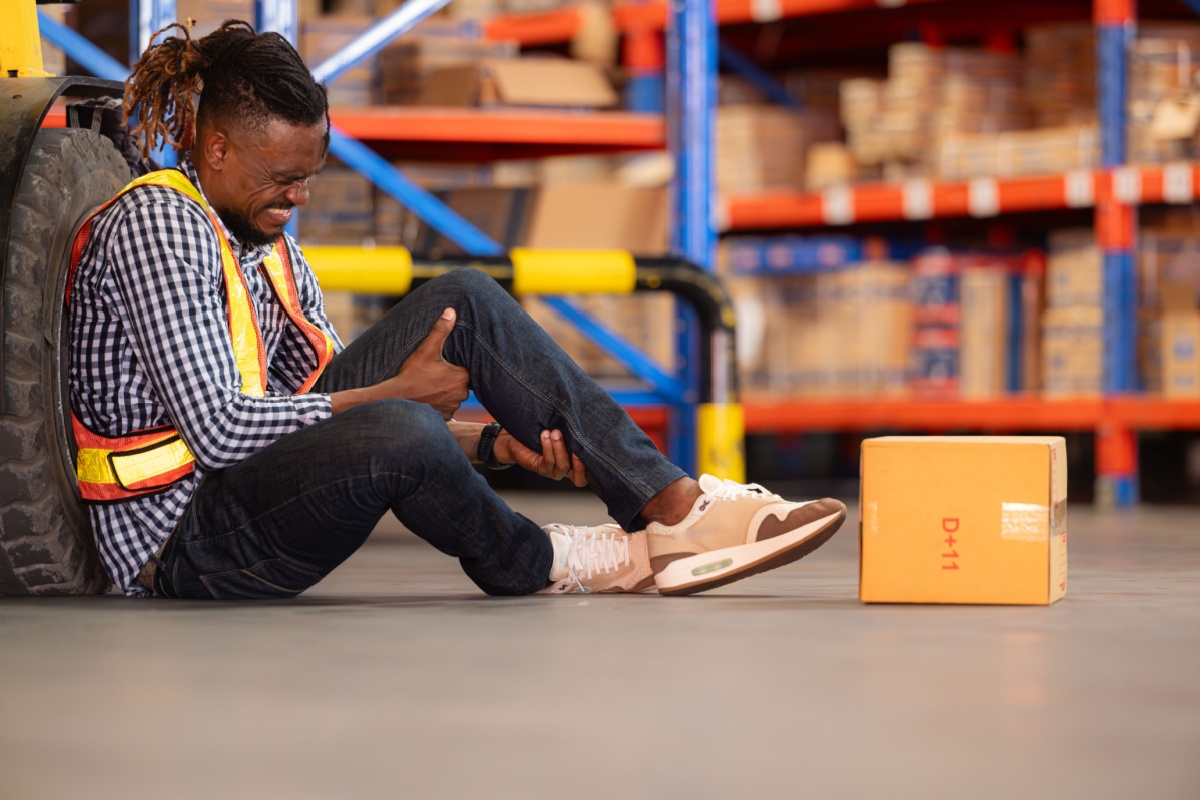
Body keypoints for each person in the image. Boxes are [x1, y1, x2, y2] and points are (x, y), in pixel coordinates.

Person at [68, 20, 846, 600]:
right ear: (215, 150)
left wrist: (499, 447)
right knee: (401, 421)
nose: (299, 198)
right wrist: (393, 399)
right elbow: (225, 430)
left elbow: (338, 415)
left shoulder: (265, 244)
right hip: (177, 545)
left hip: (246, 493)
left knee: (464, 298)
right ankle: (546, 562)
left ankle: (670, 505)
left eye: (311, 176)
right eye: (282, 177)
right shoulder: (160, 225)